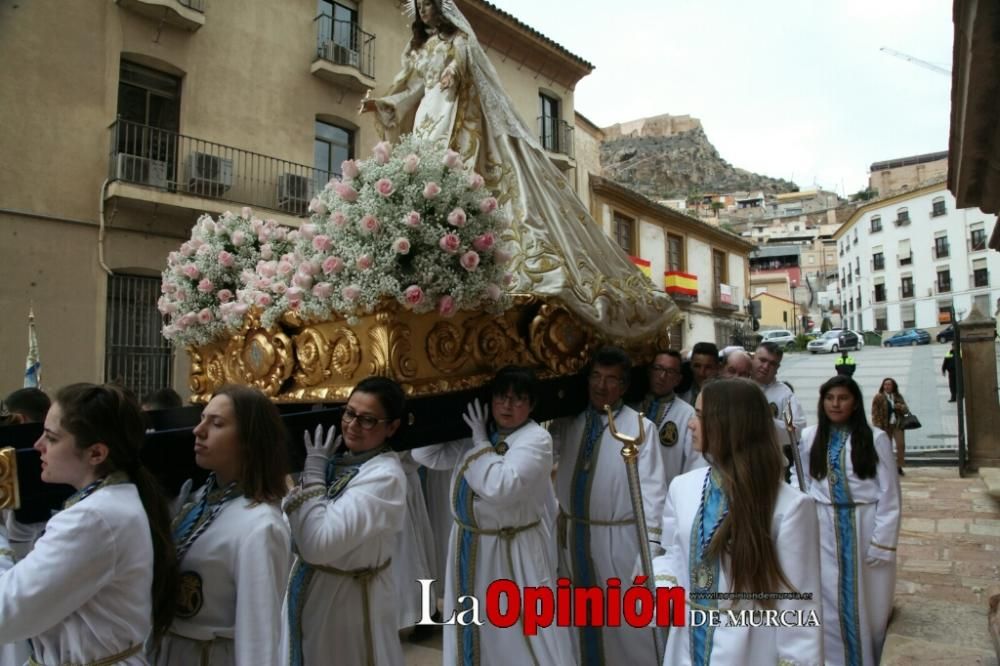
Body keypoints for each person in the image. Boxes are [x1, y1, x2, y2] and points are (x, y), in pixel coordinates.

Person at [360, 0, 676, 344]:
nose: (422, 10)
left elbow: (468, 77)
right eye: (418, 4)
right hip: (428, 122)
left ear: (442, 7)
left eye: (428, 3)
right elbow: (415, 90)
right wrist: (386, 104)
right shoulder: (421, 49)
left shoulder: (461, 43)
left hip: (459, 118)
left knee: (469, 190)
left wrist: (455, 73)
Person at [1, 383, 179, 665]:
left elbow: (9, 612)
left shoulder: (95, 517)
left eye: (52, 438)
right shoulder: (108, 503)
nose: (38, 446)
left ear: (96, 453)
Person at [653, 378, 823, 665]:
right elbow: (673, 553)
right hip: (685, 643)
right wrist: (666, 585)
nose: (691, 425)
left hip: (748, 647)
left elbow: (799, 606)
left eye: (699, 416)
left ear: (729, 425)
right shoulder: (683, 488)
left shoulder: (789, 507)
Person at [411, 366, 573, 665]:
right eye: (501, 397)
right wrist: (444, 418)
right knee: (473, 626)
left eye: (518, 399)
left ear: (532, 404)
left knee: (518, 631)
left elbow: (500, 486)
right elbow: (427, 457)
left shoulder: (535, 438)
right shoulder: (482, 431)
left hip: (512, 550)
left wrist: (479, 442)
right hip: (470, 545)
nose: (507, 406)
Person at [156, 385, 291, 666]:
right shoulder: (198, 502)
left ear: (249, 440)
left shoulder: (260, 525)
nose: (199, 430)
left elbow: (260, 635)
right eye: (202, 418)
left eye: (216, 423)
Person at [549, 347, 667, 666]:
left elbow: (653, 494)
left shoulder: (640, 429)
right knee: (576, 615)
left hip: (620, 543)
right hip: (573, 538)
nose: (601, 386)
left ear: (625, 386)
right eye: (596, 377)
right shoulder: (568, 423)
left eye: (611, 380)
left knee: (624, 622)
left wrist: (651, 550)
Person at [282, 377, 408, 666]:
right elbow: (295, 529)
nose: (352, 425)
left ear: (391, 427)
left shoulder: (384, 476)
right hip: (317, 594)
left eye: (367, 420)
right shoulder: (343, 462)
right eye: (349, 413)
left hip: (345, 604)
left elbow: (318, 544)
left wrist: (312, 475)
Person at [800, 376, 901, 665]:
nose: (835, 403)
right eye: (829, 398)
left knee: (866, 599)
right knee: (828, 595)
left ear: (855, 402)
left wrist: (882, 543)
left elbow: (890, 495)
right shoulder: (810, 437)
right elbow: (801, 478)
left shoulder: (875, 438)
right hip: (823, 524)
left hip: (863, 524)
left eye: (842, 398)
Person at [634, 350, 704, 489]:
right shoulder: (633, 407)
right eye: (658, 368)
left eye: (670, 371)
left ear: (678, 379)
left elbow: (694, 463)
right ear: (649, 371)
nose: (662, 376)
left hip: (666, 494)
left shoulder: (687, 414)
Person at [871, 377, 908, 475]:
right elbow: (874, 412)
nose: (887, 386)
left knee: (901, 445)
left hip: (897, 424)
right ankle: (887, 467)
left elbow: (906, 410)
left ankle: (899, 466)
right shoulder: (879, 397)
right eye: (885, 384)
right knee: (887, 447)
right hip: (884, 425)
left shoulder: (898, 396)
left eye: (889, 384)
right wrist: (877, 425)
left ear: (893, 386)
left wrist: (900, 407)